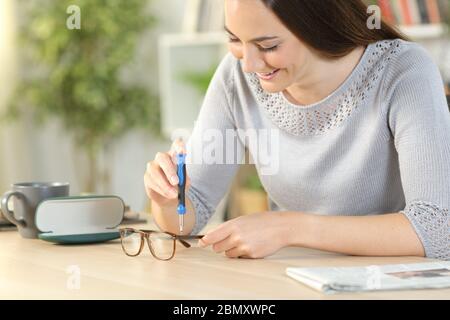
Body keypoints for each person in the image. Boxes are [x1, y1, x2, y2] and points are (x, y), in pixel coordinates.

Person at [144, 0, 450, 260]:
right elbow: (189, 213)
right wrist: (168, 200)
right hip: (291, 280)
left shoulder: (403, 71)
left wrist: (289, 227)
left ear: (318, 25)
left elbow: (437, 228)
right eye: (235, 39)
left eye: (268, 46)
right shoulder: (236, 79)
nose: (249, 64)